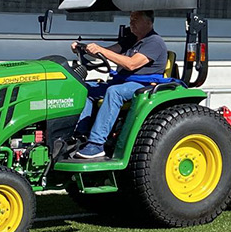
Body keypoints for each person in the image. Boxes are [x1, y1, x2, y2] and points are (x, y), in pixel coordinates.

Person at [69, 10, 168, 160]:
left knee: (114, 92)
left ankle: (96, 144)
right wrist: (83, 48)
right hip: (125, 81)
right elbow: (107, 52)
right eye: (131, 18)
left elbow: (132, 64)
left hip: (143, 84)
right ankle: (79, 134)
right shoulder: (131, 40)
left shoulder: (154, 42)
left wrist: (100, 49)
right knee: (85, 88)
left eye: (136, 19)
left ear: (149, 22)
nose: (131, 22)